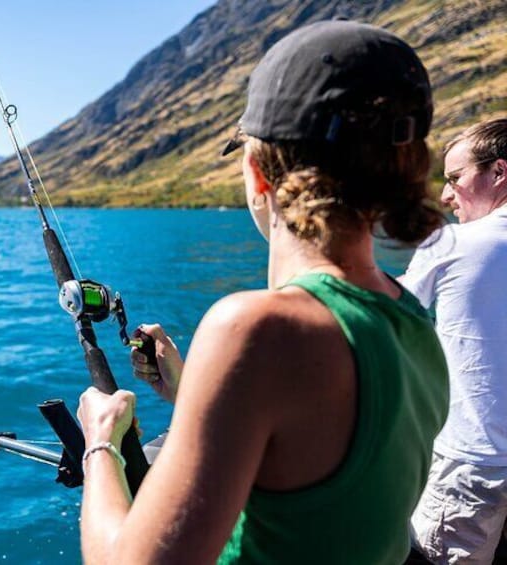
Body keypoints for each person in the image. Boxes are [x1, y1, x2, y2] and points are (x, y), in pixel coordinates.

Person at [75, 20, 450, 564]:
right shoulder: (413, 322)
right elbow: (324, 475)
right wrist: (193, 393)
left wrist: (101, 439)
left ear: (257, 172)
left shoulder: (256, 330)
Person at [403, 118, 507, 564]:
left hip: (473, 466)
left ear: (499, 172)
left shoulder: (456, 244)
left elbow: (375, 313)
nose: (446, 196)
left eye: (455, 178)